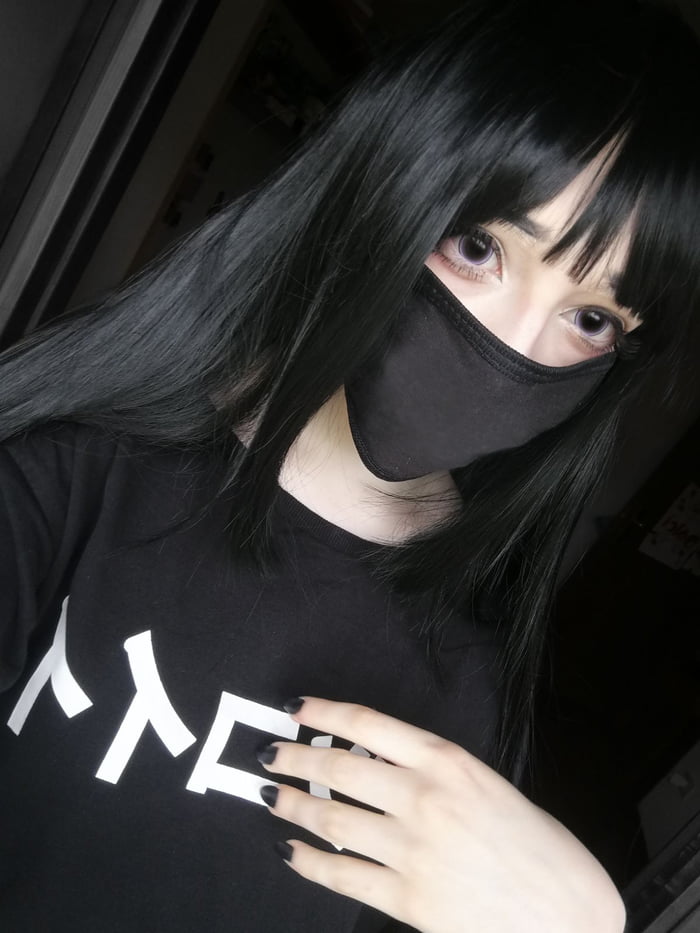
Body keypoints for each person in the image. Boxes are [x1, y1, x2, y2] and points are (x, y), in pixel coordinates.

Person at [0, 0, 698, 929]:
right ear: (379, 184)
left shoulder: (468, 670)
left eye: (592, 319)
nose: (514, 348)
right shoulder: (66, 477)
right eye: (480, 247)